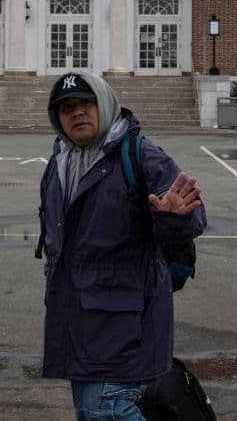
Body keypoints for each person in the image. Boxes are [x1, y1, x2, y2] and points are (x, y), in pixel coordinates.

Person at [38, 71, 206, 420]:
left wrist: (174, 217)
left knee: (106, 409)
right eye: (67, 107)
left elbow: (192, 216)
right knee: (89, 411)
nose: (77, 113)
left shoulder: (139, 153)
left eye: (86, 103)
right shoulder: (59, 162)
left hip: (124, 319)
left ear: (105, 105)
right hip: (76, 319)